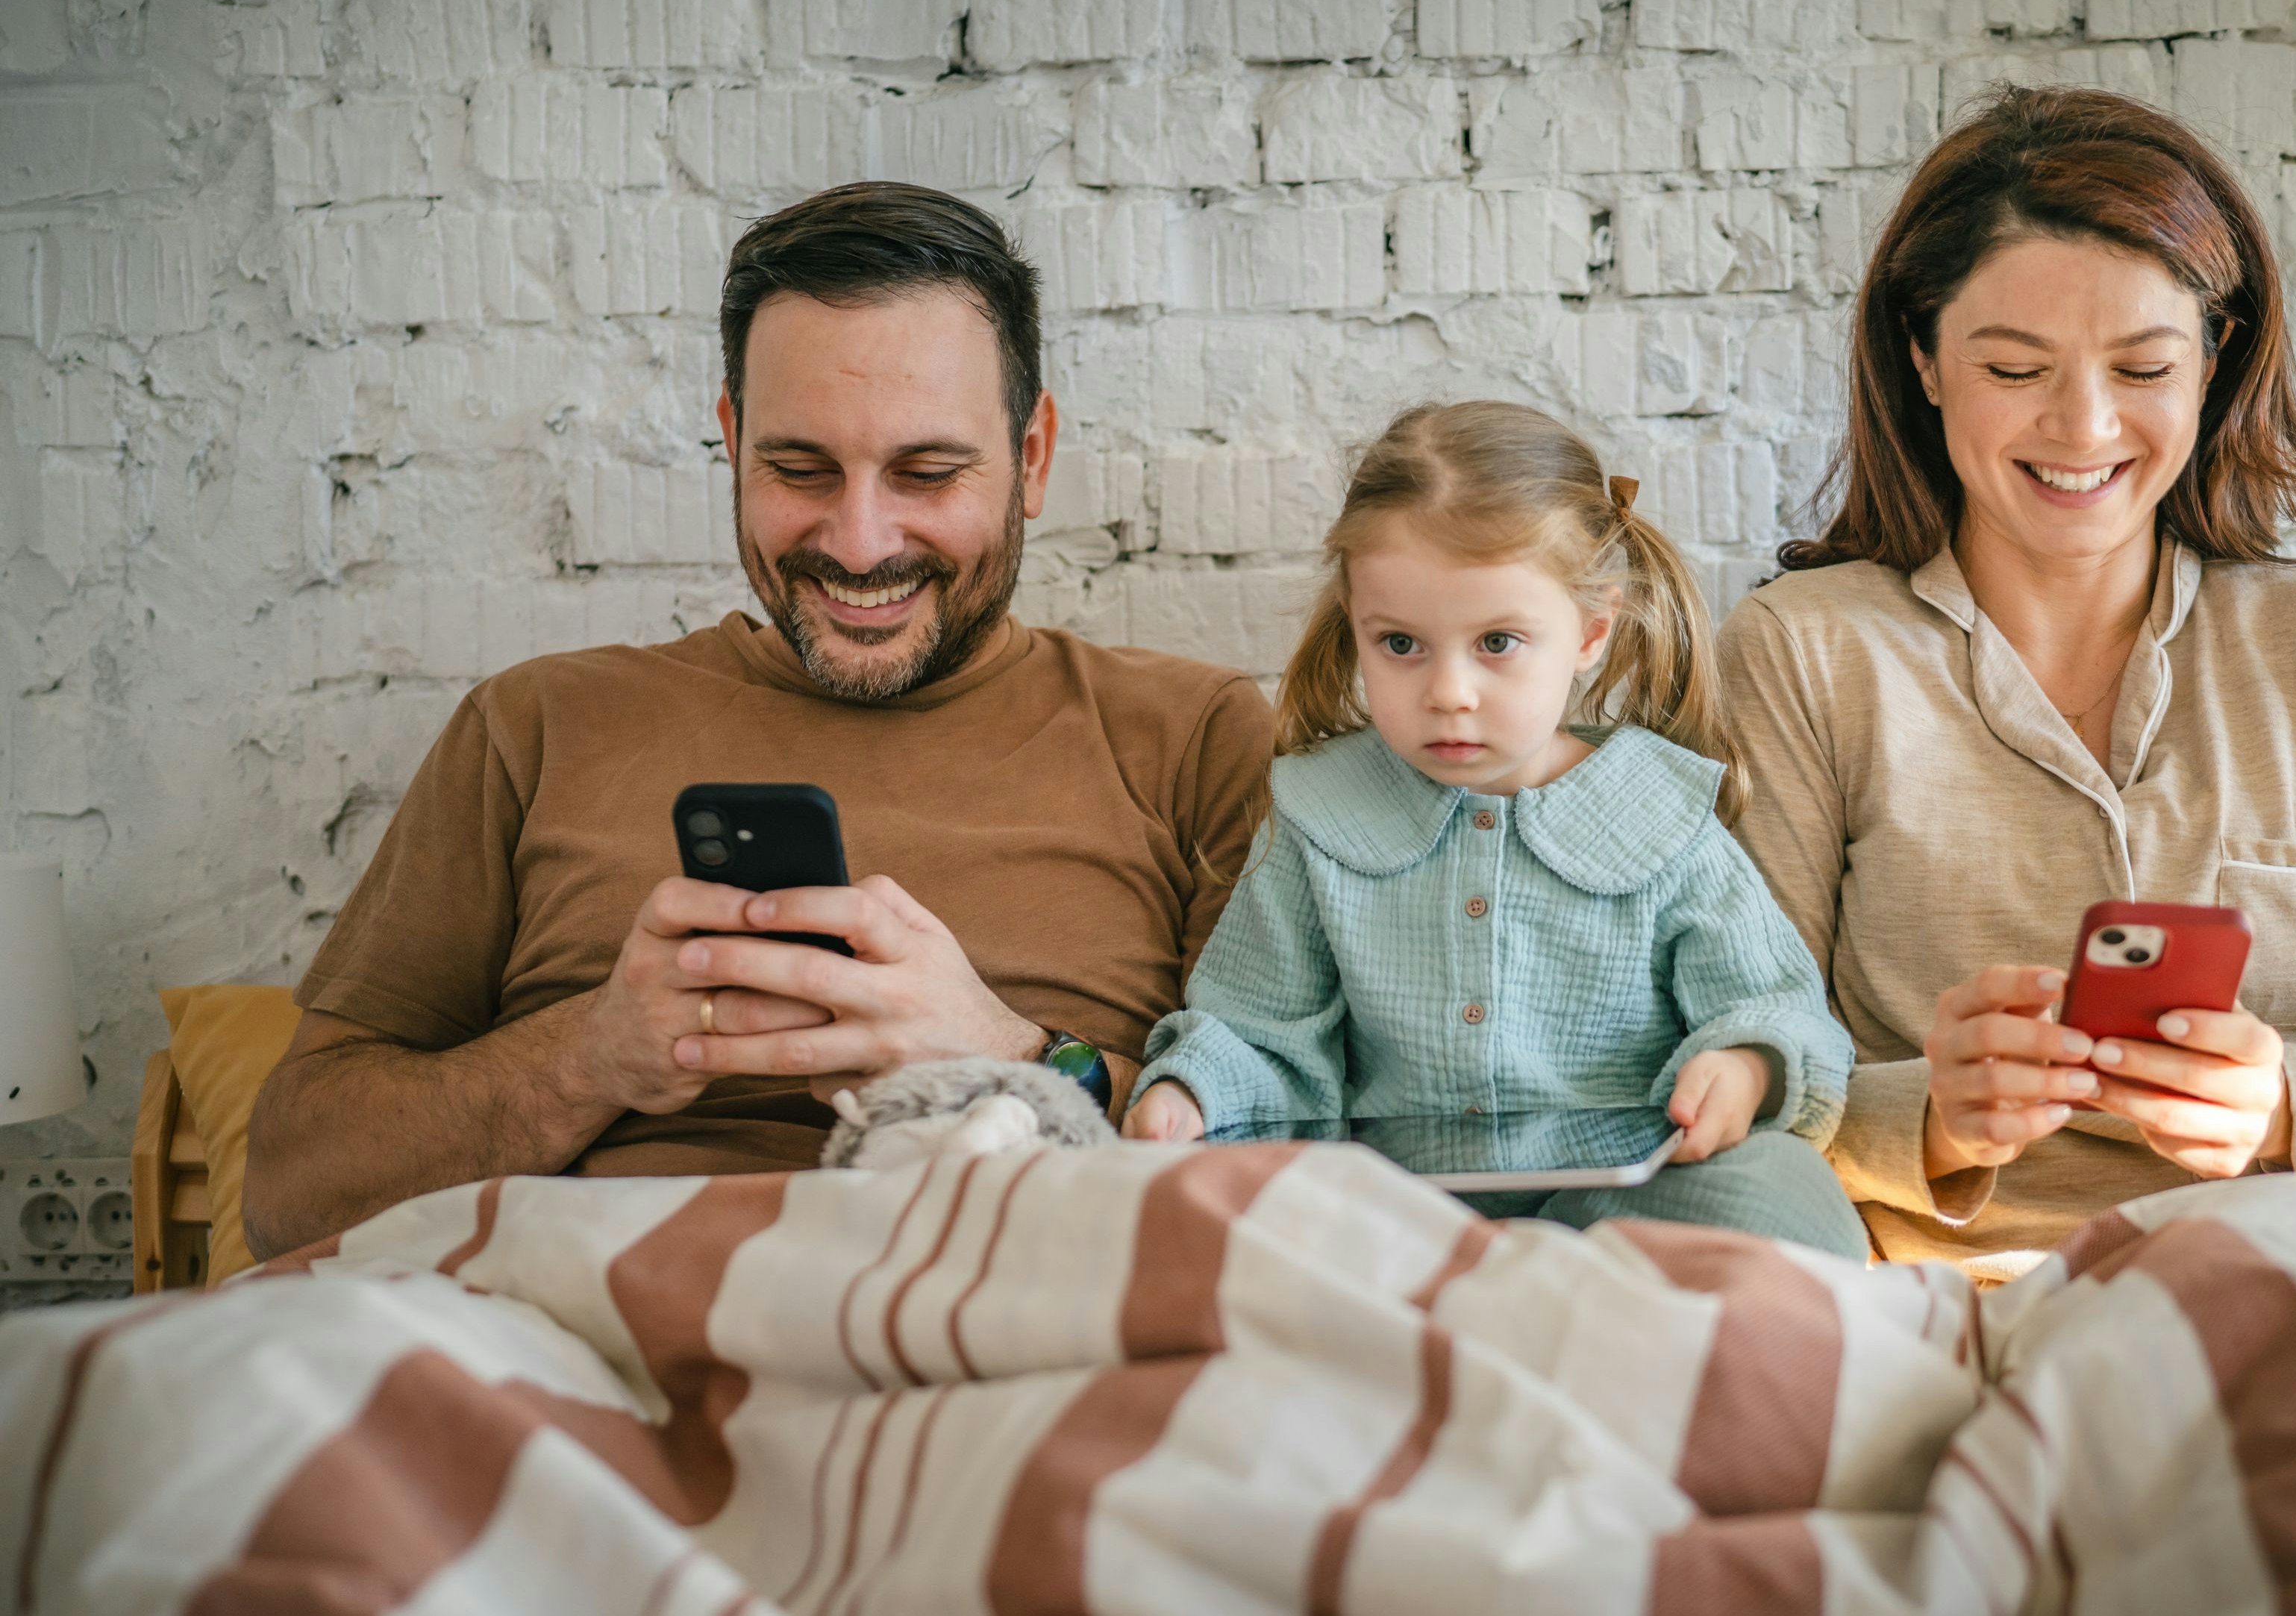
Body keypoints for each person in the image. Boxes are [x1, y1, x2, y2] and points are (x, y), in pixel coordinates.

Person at [242, 183, 1272, 1259]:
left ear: (1034, 457)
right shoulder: (535, 727)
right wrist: (595, 1055)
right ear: (732, 441)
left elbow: (1310, 1160)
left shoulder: (1192, 736)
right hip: (572, 1327)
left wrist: (1008, 1057)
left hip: (991, 1318)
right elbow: (289, 1195)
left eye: (927, 472)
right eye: (799, 468)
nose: (862, 543)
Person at [1716, 86, 2296, 1271]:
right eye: (2014, 369)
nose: (2084, 425)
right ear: (1925, 360)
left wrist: (2288, 1105)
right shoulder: (1806, 650)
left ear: (2216, 360)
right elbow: (1735, 1060)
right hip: (1943, 1304)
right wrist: (1933, 1118)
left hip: (2283, 1282)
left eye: (2142, 366)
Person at [1119, 401, 1867, 1258]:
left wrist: (1745, 1067)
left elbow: (1772, 1005)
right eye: (1400, 643)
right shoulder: (1320, 815)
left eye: (1498, 642)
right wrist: (1192, 1092)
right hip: (1392, 1219)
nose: (1448, 692)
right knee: (1203, 1222)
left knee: (1780, 1189)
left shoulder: (1660, 815)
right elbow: (1261, 1030)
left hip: (1627, 1202)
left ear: (1590, 633)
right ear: (1355, 625)